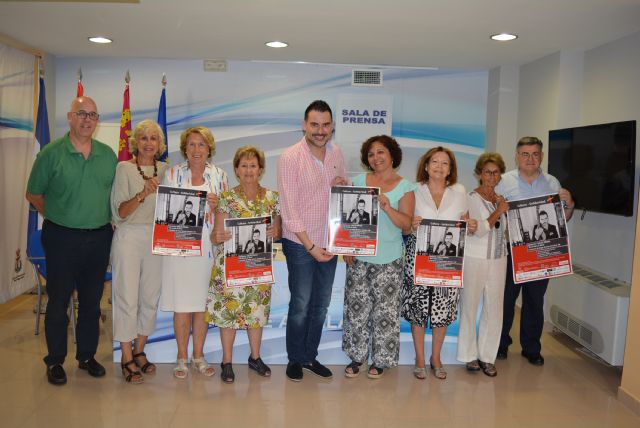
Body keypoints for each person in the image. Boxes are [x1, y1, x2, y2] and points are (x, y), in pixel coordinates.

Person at [26, 96, 117, 385]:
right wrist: (58, 216)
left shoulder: (108, 155)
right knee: (58, 302)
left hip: (99, 238)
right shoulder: (52, 153)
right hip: (61, 238)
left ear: (97, 120)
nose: (87, 119)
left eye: (92, 114)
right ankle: (55, 361)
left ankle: (87, 357)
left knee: (91, 302)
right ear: (70, 117)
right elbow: (33, 193)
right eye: (81, 113)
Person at [277, 100, 347, 381]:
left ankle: (309, 356)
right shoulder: (290, 157)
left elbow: (341, 195)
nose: (320, 130)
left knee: (321, 305)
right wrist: (311, 247)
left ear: (332, 126)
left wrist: (341, 186)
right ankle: (295, 359)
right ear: (304, 125)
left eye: (326, 125)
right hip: (300, 243)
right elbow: (289, 209)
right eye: (315, 125)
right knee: (301, 304)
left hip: (329, 241)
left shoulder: (336, 153)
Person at [496, 136, 574, 365]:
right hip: (511, 250)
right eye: (525, 154)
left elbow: (563, 218)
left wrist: (569, 204)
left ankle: (531, 348)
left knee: (534, 301)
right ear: (517, 156)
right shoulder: (503, 182)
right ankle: (500, 345)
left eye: (535, 154)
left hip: (541, 252)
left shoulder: (552, 183)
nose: (530, 158)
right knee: (506, 300)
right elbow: (494, 215)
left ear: (542, 156)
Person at [401, 146, 477, 380]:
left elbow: (465, 224)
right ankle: (419, 359)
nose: (439, 167)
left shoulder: (460, 191)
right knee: (418, 309)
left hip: (447, 261)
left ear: (450, 169)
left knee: (442, 309)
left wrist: (471, 226)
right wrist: (411, 224)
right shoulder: (413, 189)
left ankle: (436, 358)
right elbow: (404, 226)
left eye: (445, 163)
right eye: (435, 162)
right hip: (419, 257)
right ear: (426, 165)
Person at [342, 135, 415, 379]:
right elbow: (347, 219)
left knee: (386, 313)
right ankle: (357, 357)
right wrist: (347, 248)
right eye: (371, 154)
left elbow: (406, 225)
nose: (376, 157)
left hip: (389, 259)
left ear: (392, 155)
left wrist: (387, 207)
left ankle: (381, 360)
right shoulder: (358, 181)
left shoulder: (405, 187)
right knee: (356, 310)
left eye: (381, 152)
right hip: (359, 258)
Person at [207, 146, 281, 383]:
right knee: (229, 313)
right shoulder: (226, 198)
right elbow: (215, 235)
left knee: (256, 313)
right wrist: (218, 236)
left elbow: (278, 231)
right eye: (244, 166)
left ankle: (255, 358)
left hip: (258, 266)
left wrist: (276, 231)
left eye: (253, 165)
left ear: (261, 169)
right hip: (230, 266)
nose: (249, 170)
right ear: (237, 170)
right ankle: (227, 361)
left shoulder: (272, 198)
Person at [160, 126, 228, 379]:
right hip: (179, 250)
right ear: (184, 149)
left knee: (201, 306)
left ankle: (198, 356)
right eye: (191, 144)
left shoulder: (220, 175)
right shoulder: (172, 174)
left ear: (209, 148)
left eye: (201, 144)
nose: (196, 149)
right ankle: (181, 357)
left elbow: (226, 213)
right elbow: (164, 212)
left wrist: (217, 205)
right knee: (182, 305)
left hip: (207, 250)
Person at [110, 119, 168, 384]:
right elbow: (120, 212)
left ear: (159, 144)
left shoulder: (166, 170)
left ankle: (139, 350)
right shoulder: (124, 168)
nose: (148, 143)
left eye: (153, 138)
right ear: (135, 142)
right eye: (143, 138)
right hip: (129, 236)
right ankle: (126, 356)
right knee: (127, 298)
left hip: (157, 238)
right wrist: (142, 193)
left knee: (150, 297)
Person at [457, 153, 509, 377]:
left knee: (494, 309)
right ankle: (469, 356)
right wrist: (499, 211)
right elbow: (478, 230)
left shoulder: (500, 199)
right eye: (487, 172)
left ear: (500, 175)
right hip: (474, 259)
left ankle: (487, 357)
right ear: (479, 174)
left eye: (496, 173)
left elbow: (504, 231)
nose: (492, 177)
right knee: (469, 307)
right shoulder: (470, 198)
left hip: (499, 259)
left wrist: (501, 208)